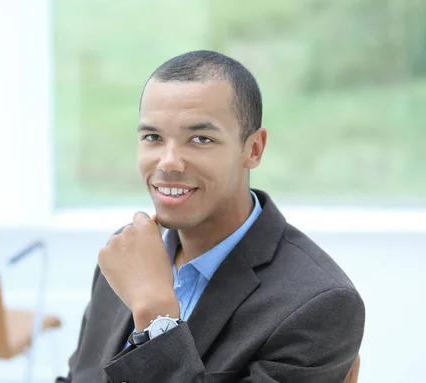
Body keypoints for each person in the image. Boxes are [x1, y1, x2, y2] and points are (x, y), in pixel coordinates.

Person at [56, 50, 365, 383]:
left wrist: (157, 321)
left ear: (254, 149)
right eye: (153, 138)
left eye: (200, 139)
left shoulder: (320, 304)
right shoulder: (126, 253)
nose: (168, 162)